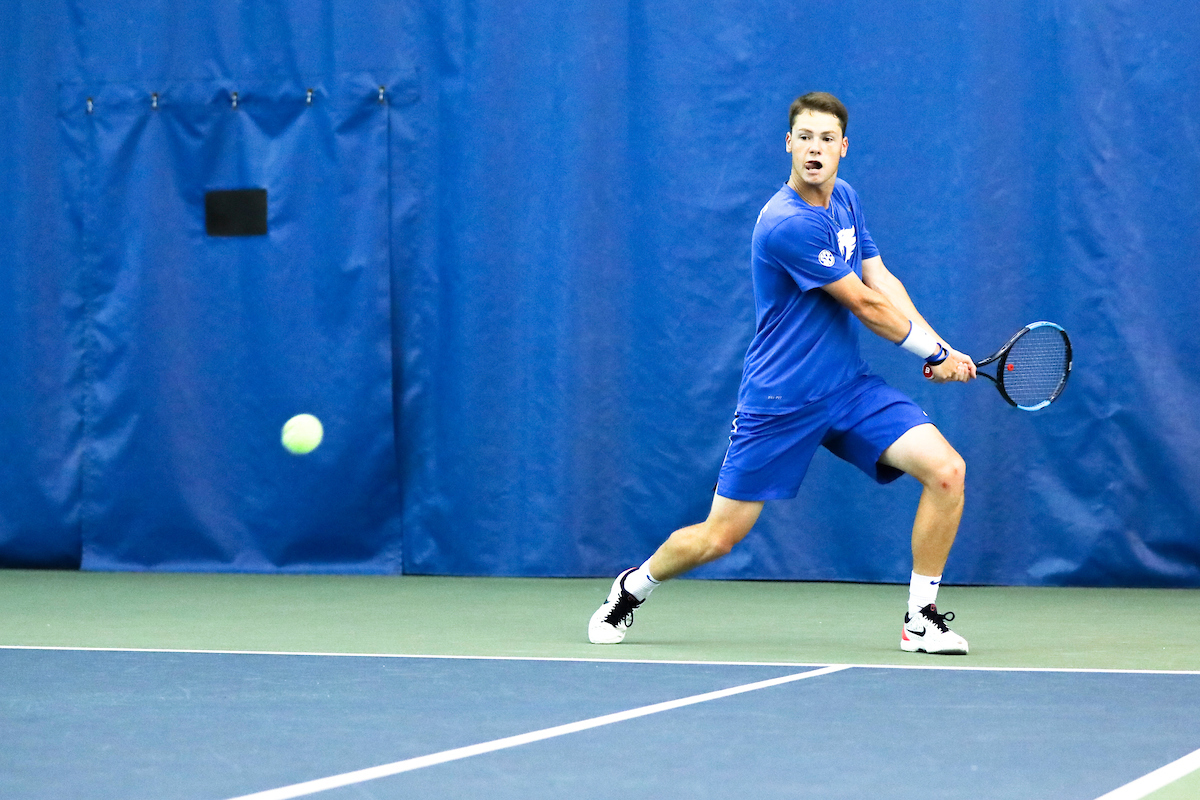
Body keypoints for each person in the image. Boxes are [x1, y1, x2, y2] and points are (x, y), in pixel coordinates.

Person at [588, 92, 977, 655]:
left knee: (947, 472)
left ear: (843, 148)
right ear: (788, 144)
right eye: (805, 137)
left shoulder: (845, 199)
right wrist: (930, 355)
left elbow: (882, 279)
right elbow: (865, 306)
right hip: (780, 400)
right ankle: (633, 587)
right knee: (719, 538)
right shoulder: (785, 224)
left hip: (848, 389)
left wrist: (939, 345)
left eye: (826, 139)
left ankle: (921, 619)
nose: (815, 149)